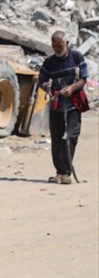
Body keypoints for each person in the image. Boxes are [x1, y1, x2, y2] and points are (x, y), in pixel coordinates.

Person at [38, 30, 89, 185]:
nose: (57, 49)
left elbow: (83, 79)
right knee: (57, 139)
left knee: (70, 137)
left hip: (73, 104)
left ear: (67, 43)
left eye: (60, 46)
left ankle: (66, 172)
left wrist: (72, 88)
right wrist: (47, 86)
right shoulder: (49, 62)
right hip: (57, 104)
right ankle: (60, 173)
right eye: (54, 46)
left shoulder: (77, 57)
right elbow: (41, 80)